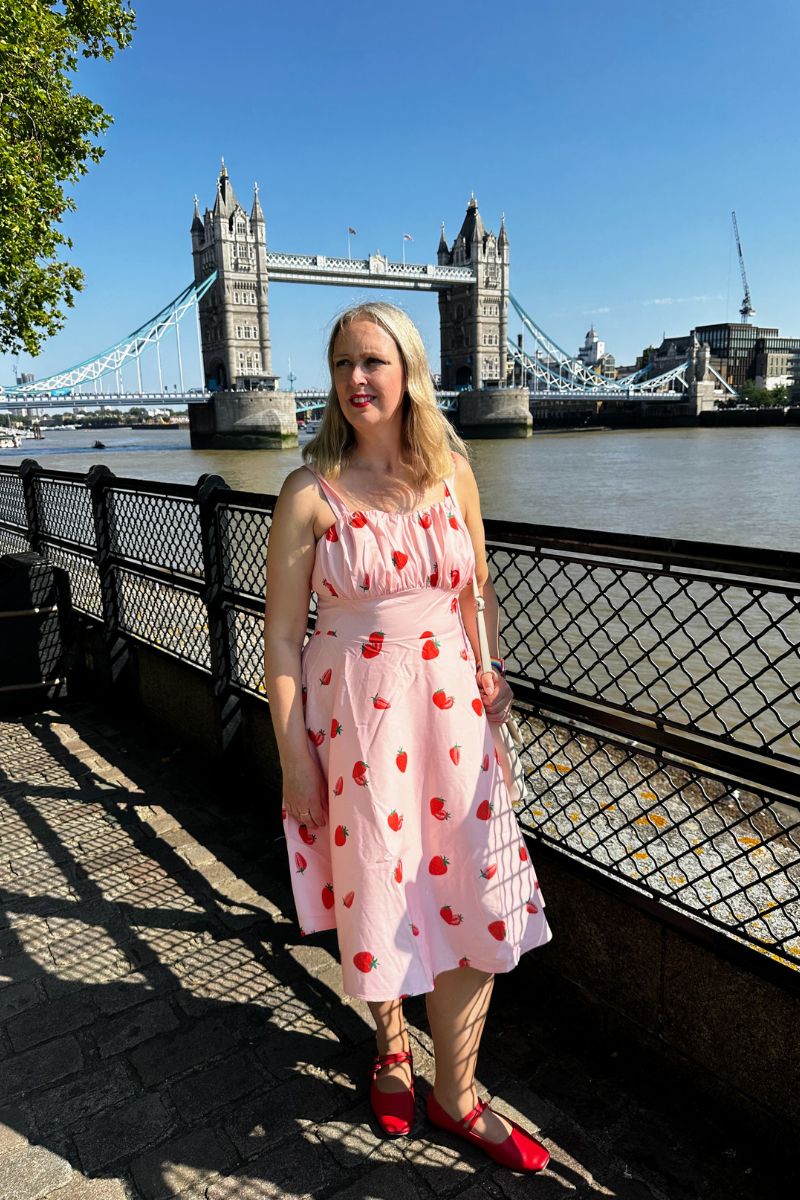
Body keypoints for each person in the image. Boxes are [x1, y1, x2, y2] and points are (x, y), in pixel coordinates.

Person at [264, 302, 552, 1171]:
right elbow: (280, 639)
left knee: (472, 894)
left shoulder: (454, 474)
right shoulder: (309, 493)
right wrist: (294, 760)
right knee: (377, 888)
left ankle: (457, 1094)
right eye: (343, 362)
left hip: (454, 720)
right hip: (353, 722)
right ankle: (390, 1042)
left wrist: (490, 668)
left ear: (409, 370)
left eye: (374, 362)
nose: (357, 379)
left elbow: (476, 591)